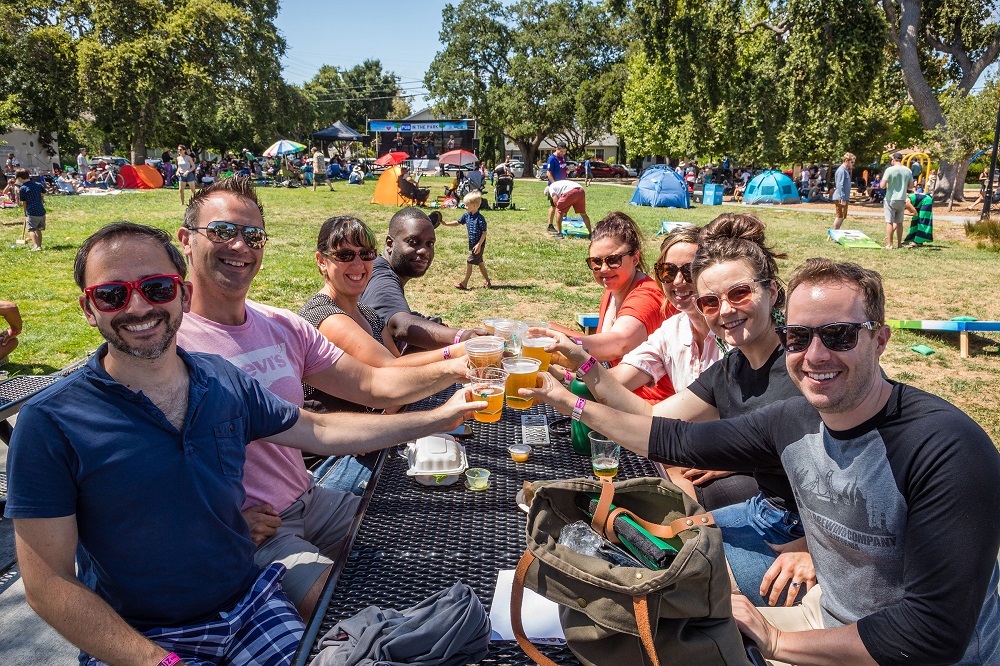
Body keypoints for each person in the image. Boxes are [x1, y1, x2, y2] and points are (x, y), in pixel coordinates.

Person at [4, 221, 484, 666]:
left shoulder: (220, 380)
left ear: (182, 294)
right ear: (89, 310)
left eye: (156, 288)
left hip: (249, 604)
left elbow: (317, 430)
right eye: (112, 295)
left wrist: (440, 415)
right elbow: (48, 585)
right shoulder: (53, 422)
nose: (137, 307)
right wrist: (162, 662)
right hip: (142, 636)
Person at [526, 258, 1000, 665]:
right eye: (798, 337)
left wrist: (775, 639)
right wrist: (569, 401)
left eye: (838, 335)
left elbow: (932, 634)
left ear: (880, 340)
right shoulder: (795, 418)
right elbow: (670, 437)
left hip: (919, 655)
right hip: (829, 619)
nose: (815, 355)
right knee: (656, 631)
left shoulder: (947, 449)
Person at [175, 178, 472, 619]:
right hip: (255, 532)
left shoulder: (282, 326)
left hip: (310, 498)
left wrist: (463, 365)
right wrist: (213, 525)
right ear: (186, 240)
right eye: (222, 231)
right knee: (349, 612)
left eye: (252, 235)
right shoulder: (169, 342)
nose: (240, 246)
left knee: (431, 538)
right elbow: (133, 469)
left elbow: (375, 383)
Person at [538, 214, 807, 608]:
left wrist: (814, 552)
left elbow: (855, 477)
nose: (726, 311)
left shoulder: (806, 367)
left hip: (803, 537)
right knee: (643, 553)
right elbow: (657, 422)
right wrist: (578, 375)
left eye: (740, 294)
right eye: (711, 302)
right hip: (765, 514)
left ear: (771, 291)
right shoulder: (732, 366)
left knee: (680, 589)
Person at [298, 216, 469, 414]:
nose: (358, 264)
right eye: (345, 255)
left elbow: (402, 376)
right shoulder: (325, 317)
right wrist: (457, 351)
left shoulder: (368, 314)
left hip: (366, 434)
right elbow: (391, 369)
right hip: (326, 440)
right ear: (322, 261)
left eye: (366, 254)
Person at [551, 213, 670, 389]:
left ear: (635, 258)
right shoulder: (614, 289)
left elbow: (617, 345)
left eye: (613, 260)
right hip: (618, 391)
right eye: (596, 262)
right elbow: (603, 350)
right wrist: (544, 330)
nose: (604, 269)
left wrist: (552, 344)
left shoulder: (646, 295)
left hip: (647, 404)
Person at [360, 207, 486, 352]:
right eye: (413, 242)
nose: (424, 251)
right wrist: (461, 337)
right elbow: (399, 326)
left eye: (429, 244)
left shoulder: (380, 269)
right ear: (390, 244)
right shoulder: (380, 276)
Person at [441, 191, 492, 290]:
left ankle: (464, 283)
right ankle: (488, 282)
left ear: (475, 205)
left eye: (466, 205)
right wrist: (446, 223)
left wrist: (479, 245)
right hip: (473, 244)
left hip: (478, 246)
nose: (465, 206)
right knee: (480, 264)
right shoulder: (467, 215)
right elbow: (457, 222)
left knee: (469, 262)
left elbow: (484, 233)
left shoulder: (480, 219)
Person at [880, 152, 914, 249]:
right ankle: (899, 244)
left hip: (890, 198)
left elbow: (882, 185)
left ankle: (890, 244)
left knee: (889, 222)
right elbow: (911, 186)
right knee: (899, 222)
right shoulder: (908, 171)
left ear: (893, 159)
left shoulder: (889, 170)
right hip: (902, 198)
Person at [15, 169, 45, 251]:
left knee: (31, 229)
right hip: (41, 211)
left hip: (31, 212)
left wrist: (25, 212)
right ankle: (39, 245)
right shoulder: (38, 185)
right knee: (38, 229)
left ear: (20, 178)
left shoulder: (23, 188)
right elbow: (44, 192)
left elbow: (24, 202)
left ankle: (36, 246)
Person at [545, 142, 568, 233]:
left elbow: (562, 168)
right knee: (554, 206)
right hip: (555, 186)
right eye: (561, 151)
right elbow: (549, 173)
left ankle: (564, 224)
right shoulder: (551, 159)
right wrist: (554, 185)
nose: (562, 153)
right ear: (556, 149)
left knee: (565, 205)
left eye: (564, 152)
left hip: (563, 185)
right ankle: (550, 225)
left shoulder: (563, 158)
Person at [832, 152, 855, 230]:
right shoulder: (841, 171)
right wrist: (842, 199)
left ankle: (837, 232)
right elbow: (839, 185)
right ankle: (835, 233)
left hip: (844, 197)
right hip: (840, 197)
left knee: (842, 216)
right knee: (839, 216)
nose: (852, 164)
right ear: (846, 160)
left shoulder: (845, 170)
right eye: (851, 162)